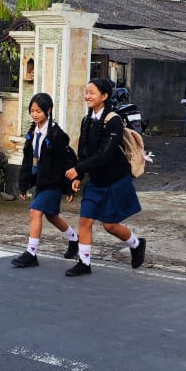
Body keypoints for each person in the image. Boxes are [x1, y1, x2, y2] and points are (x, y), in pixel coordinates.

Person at [63, 78, 145, 276]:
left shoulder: (113, 120)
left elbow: (106, 154)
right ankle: (84, 263)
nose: (87, 96)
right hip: (96, 180)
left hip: (115, 180)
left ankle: (136, 243)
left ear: (104, 96)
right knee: (85, 220)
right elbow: (83, 150)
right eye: (86, 92)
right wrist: (78, 175)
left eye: (91, 92)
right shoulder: (87, 119)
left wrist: (79, 168)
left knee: (110, 225)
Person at [11, 93, 79, 269]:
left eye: (39, 111)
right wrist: (23, 185)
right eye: (32, 111)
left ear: (48, 111)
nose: (34, 115)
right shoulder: (32, 132)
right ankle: (74, 239)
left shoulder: (57, 134)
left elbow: (67, 159)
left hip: (53, 182)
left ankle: (31, 253)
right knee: (52, 216)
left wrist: (72, 184)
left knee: (35, 212)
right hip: (40, 181)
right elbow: (27, 160)